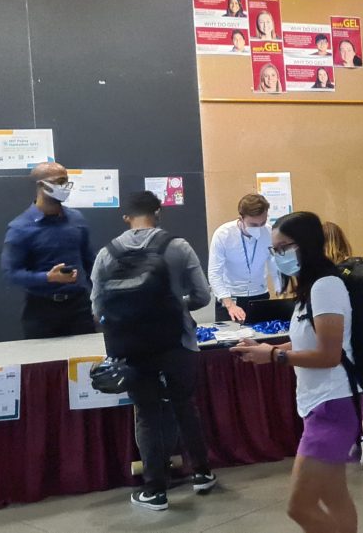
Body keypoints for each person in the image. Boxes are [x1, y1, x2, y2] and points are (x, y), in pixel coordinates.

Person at [232, 212, 359, 533]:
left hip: (333, 406)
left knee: (299, 507)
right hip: (320, 405)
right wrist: (267, 348)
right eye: (274, 249)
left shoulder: (326, 287)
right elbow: (307, 340)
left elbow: (329, 355)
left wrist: (274, 356)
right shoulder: (310, 291)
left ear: (306, 245)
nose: (277, 256)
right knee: (335, 496)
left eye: (283, 247)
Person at [91, 191, 216, 510]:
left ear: (126, 218)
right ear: (158, 213)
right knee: (184, 405)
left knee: (146, 413)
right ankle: (201, 474)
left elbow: (97, 308)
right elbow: (202, 295)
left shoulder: (107, 253)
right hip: (178, 342)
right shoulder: (178, 246)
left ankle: (155, 490)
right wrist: (176, 306)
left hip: (131, 348)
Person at [2, 162, 96, 339]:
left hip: (79, 307)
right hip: (41, 310)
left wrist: (98, 300)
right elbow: (11, 274)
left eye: (67, 181)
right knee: (45, 365)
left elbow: (90, 261)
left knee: (85, 363)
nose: (65, 187)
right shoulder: (20, 228)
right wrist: (48, 277)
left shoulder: (77, 219)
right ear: (41, 185)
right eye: (59, 181)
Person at [323, 221, 363, 469]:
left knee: (340, 396)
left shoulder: (324, 275)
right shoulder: (360, 267)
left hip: (339, 344)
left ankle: (344, 440)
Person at [208, 194, 279, 323]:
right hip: (230, 297)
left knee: (262, 338)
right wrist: (230, 305)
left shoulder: (269, 232)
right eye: (253, 224)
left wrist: (281, 290)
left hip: (259, 295)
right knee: (230, 341)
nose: (258, 227)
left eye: (262, 223)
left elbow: (274, 266)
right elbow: (214, 273)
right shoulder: (223, 234)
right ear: (241, 218)